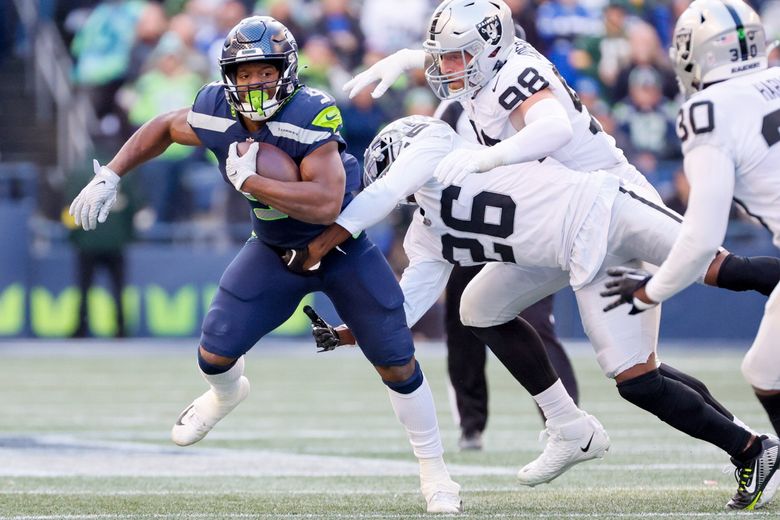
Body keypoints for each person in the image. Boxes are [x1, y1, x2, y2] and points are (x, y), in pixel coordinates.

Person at [343, 0, 780, 465]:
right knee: (485, 310)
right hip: (559, 229)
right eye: (442, 56)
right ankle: (574, 424)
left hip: (613, 199)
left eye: (455, 57)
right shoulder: (481, 77)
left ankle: (748, 446)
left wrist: (490, 157)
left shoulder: (512, 74)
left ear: (488, 51)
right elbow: (415, 290)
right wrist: (410, 57)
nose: (445, 68)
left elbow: (552, 129)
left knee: (714, 269)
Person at [67, 16, 461, 514]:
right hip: (275, 249)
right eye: (246, 73)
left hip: (340, 248)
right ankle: (226, 396)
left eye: (265, 70)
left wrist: (253, 182)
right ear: (230, 75)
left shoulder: (312, 111)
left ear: (287, 69)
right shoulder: (214, 106)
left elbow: (324, 202)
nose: (255, 82)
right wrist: (114, 174)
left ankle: (436, 473)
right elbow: (164, 126)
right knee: (213, 354)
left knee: (396, 361)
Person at [283, 115, 780, 507]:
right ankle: (748, 449)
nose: (401, 192)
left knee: (720, 269)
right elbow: (407, 302)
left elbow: (390, 190)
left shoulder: (435, 144)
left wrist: (333, 234)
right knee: (622, 374)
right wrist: (352, 333)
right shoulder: (426, 231)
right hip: (571, 257)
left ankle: (749, 444)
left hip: (606, 209)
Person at [603, 1, 780, 508]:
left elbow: (702, 238)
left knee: (767, 370)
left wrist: (649, 291)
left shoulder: (707, 111)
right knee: (764, 369)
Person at [435, 100, 579, 451]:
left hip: (528, 230)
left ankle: (567, 421)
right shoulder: (452, 110)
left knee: (538, 324)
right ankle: (471, 424)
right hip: (473, 230)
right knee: (462, 324)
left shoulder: (534, 101)